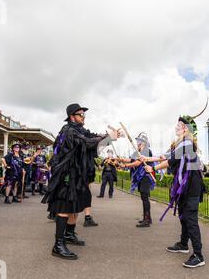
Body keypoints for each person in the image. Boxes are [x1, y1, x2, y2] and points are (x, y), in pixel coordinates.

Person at [42, 103, 120, 260]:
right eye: (80, 114)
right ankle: (58, 245)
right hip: (66, 175)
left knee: (77, 205)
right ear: (72, 117)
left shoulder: (80, 130)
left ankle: (69, 234)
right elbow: (87, 143)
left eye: (84, 115)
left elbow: (91, 137)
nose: (84, 117)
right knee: (64, 206)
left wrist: (109, 137)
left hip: (78, 176)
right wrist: (108, 138)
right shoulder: (69, 131)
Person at [143, 108, 206, 268]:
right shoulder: (179, 144)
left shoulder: (187, 143)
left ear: (186, 128)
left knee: (190, 219)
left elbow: (170, 161)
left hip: (191, 186)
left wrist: (153, 168)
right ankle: (184, 244)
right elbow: (165, 156)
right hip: (185, 186)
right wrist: (147, 158)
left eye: (179, 124)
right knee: (184, 216)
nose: (176, 127)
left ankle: (198, 255)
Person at [118, 133, 156, 228]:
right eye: (137, 141)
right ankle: (147, 218)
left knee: (145, 197)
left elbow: (137, 163)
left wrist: (125, 166)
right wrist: (121, 159)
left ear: (144, 143)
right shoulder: (138, 152)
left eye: (139, 141)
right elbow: (131, 160)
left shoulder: (146, 151)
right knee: (144, 198)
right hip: (141, 178)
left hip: (146, 177)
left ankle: (147, 220)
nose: (137, 143)